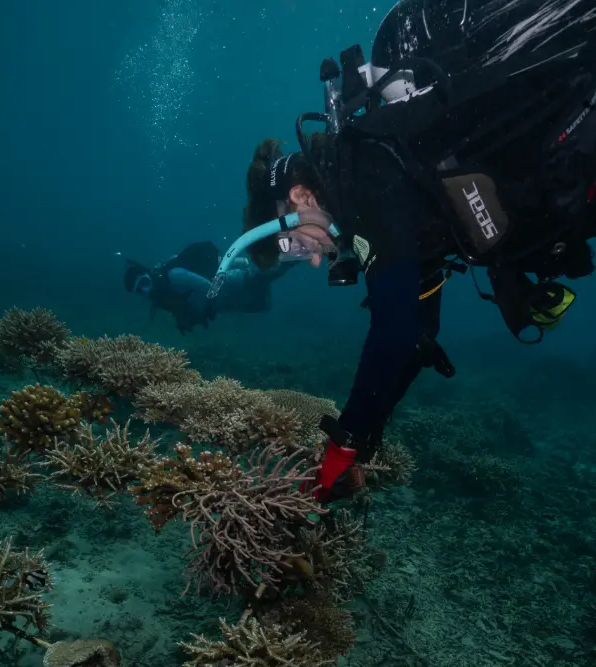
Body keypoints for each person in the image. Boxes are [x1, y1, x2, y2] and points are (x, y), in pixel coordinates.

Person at [214, 0, 596, 502]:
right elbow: (419, 335)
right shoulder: (392, 179)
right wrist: (364, 440)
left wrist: (343, 446)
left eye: (288, 243)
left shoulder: (369, 171)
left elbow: (394, 332)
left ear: (300, 199)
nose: (306, 258)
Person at [124, 240, 291, 335]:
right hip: (226, 302)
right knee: (263, 304)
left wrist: (210, 304)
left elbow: (209, 284)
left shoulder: (174, 274)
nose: (145, 291)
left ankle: (295, 249)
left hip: (230, 283)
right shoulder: (162, 298)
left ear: (148, 275)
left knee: (266, 275)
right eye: (139, 291)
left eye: (144, 284)